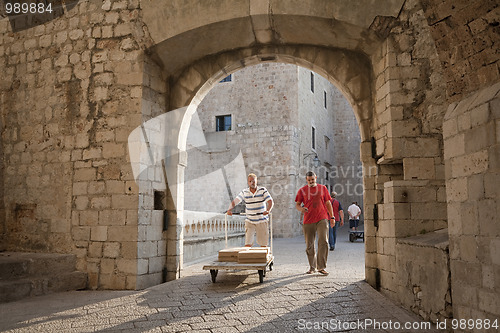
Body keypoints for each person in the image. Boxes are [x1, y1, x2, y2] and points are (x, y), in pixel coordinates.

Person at [295, 171, 334, 275]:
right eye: (309, 180)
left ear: (316, 178)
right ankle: (312, 267)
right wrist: (301, 209)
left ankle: (321, 267)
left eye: (312, 179)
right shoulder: (302, 190)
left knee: (324, 242)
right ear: (306, 180)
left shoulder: (323, 188)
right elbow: (297, 204)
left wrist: (332, 217)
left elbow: (328, 202)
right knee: (309, 245)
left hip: (322, 218)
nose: (311, 181)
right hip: (308, 220)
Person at [227, 173, 274, 247]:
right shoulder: (244, 192)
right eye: (250, 181)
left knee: (263, 245)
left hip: (262, 220)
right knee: (247, 244)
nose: (252, 183)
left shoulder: (263, 190)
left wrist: (268, 210)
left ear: (256, 181)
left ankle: (262, 257)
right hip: (250, 221)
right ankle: (248, 258)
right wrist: (229, 209)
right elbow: (235, 201)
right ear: (248, 182)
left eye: (253, 181)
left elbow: (270, 201)